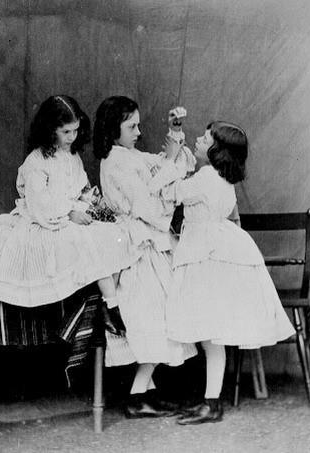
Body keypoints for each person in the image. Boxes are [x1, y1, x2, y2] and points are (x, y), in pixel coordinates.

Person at [148, 120, 295, 425]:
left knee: (210, 336)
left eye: (205, 139)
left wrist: (173, 156)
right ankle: (210, 400)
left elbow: (166, 192)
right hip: (218, 251)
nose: (198, 140)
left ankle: (211, 403)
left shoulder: (204, 177)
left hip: (205, 256)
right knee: (211, 336)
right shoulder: (224, 181)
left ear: (218, 150)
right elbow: (233, 218)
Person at [0, 95, 140, 318]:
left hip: (72, 213)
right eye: (66, 132)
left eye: (76, 130)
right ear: (50, 130)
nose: (72, 137)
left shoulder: (71, 156)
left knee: (114, 233)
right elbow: (40, 204)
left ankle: (108, 300)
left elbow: (79, 188)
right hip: (45, 221)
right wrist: (70, 213)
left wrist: (92, 203)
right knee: (84, 240)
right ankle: (111, 305)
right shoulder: (36, 161)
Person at [93, 95, 197, 418]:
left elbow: (172, 164)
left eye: (138, 125)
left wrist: (174, 134)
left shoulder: (130, 156)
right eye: (132, 127)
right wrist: (169, 164)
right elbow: (148, 206)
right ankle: (138, 396)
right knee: (156, 321)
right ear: (113, 130)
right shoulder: (115, 163)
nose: (139, 132)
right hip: (136, 248)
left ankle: (144, 393)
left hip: (148, 242)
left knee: (161, 319)